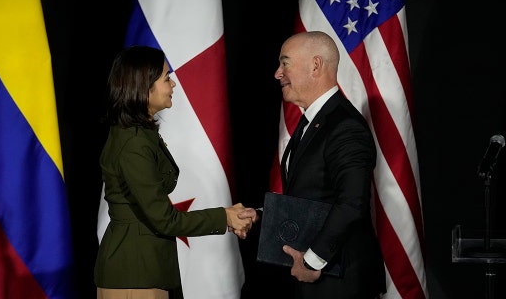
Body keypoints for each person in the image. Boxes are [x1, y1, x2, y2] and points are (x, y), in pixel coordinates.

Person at [94, 45, 253, 299]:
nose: (173, 84)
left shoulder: (141, 134)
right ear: (143, 86)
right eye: (166, 77)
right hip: (134, 273)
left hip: (144, 268)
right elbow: (164, 219)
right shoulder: (133, 142)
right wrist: (224, 217)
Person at [240, 31, 386, 298]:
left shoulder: (345, 126)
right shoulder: (314, 123)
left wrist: (312, 261)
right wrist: (262, 215)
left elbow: (352, 204)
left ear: (316, 65)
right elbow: (310, 195)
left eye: (285, 63)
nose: (277, 73)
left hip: (340, 281)